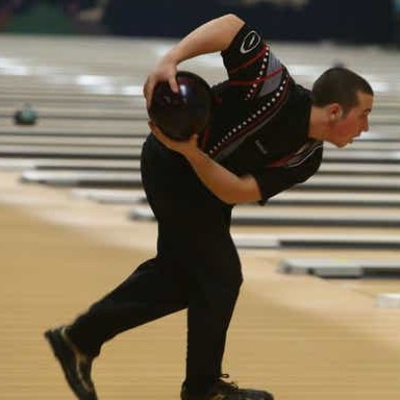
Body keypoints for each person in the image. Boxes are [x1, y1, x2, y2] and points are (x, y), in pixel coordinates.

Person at [44, 13, 374, 400]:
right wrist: (171, 60)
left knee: (186, 279)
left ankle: (80, 339)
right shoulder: (274, 88)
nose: (365, 127)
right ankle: (200, 388)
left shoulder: (307, 157)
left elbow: (236, 191)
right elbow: (230, 26)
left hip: (201, 179)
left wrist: (195, 154)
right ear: (335, 111)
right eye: (363, 115)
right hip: (169, 165)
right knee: (219, 275)